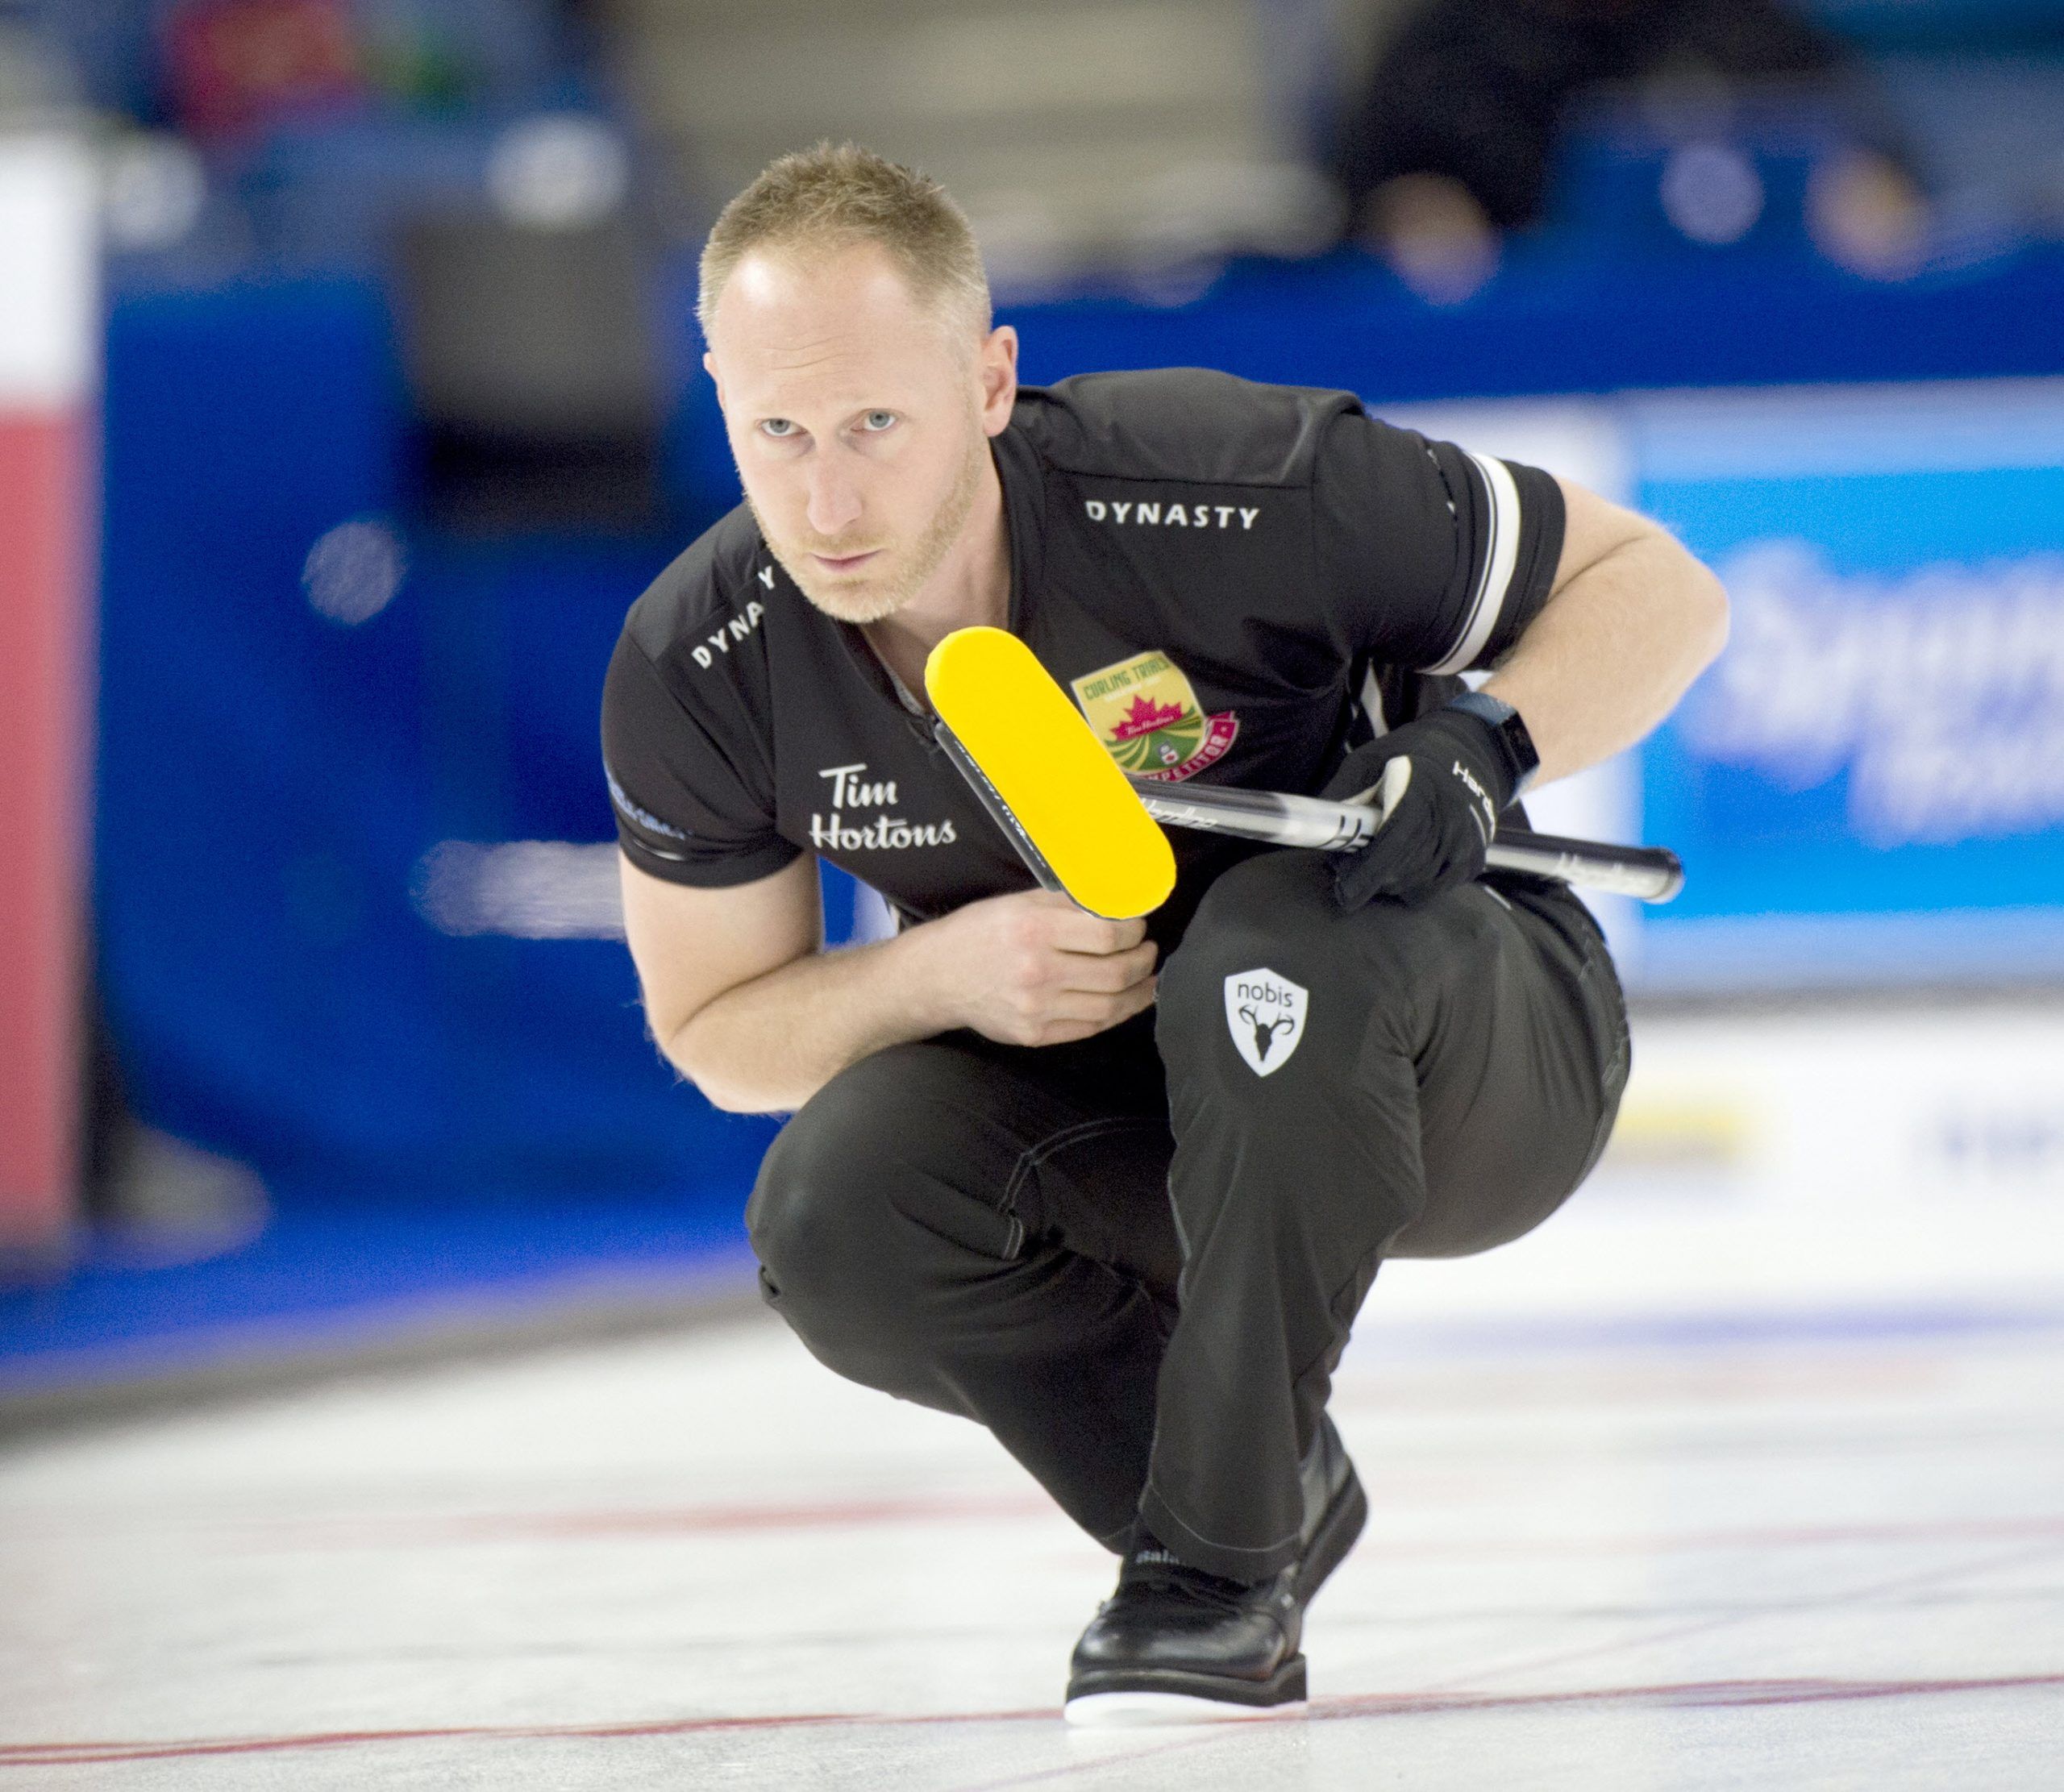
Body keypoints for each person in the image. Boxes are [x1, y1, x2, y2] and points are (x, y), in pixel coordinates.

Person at [601, 143, 1727, 1722]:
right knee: (835, 1208)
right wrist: (934, 971)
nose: (827, 499)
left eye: (874, 423)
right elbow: (718, 1030)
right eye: (774, 431)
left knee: (1271, 932)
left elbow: (1660, 587)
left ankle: (1209, 1582)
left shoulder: (1223, 484)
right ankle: (1254, 1487)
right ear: (714, 392)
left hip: (1461, 1046)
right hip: (1139, 1089)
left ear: (989, 381)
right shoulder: (699, 661)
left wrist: (1483, 746)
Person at [1331, 0, 1928, 298]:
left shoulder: (1750, 33)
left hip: (1757, 355)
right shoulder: (1443, 55)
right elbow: (1360, 210)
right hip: (1528, 365)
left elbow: (1890, 174)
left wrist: (1870, 189)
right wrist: (1404, 215)